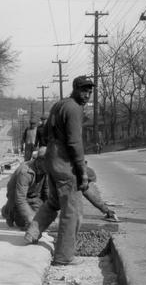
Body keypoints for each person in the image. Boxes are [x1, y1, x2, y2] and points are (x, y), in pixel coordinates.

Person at [24, 75, 94, 266]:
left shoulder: (59, 105)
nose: (87, 94)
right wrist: (82, 170)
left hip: (51, 159)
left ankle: (32, 233)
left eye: (90, 90)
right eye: (84, 90)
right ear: (75, 89)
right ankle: (64, 256)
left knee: (53, 202)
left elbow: (44, 133)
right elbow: (74, 142)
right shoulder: (74, 109)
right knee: (72, 211)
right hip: (64, 161)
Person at [1, 147, 48, 230]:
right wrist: (30, 218)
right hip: (16, 194)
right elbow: (20, 199)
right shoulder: (25, 172)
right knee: (23, 223)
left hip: (33, 195)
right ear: (40, 161)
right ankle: (8, 211)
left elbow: (46, 193)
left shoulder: (46, 169)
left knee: (41, 219)